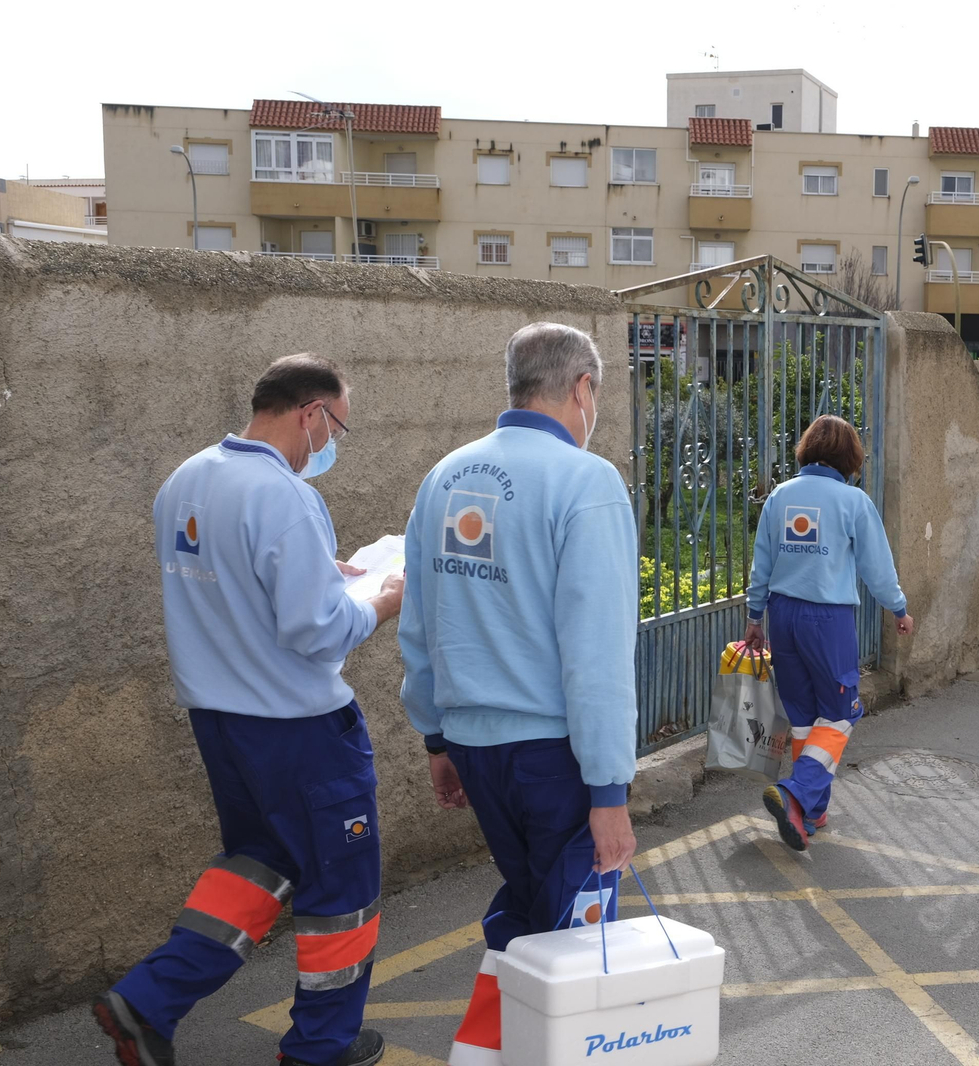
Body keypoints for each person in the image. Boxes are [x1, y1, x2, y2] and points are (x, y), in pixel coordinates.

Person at [94, 354, 404, 1066]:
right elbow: (318, 632)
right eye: (336, 430)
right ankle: (321, 1046)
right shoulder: (284, 495)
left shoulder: (186, 480)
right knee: (341, 887)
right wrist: (382, 602)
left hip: (222, 725)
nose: (329, 447)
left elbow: (225, 582)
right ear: (311, 414)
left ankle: (148, 1000)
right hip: (301, 732)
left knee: (257, 864)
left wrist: (318, 574)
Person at [398, 322, 639, 1066]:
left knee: (531, 910)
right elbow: (596, 652)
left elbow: (419, 624)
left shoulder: (445, 476)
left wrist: (437, 737)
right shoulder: (586, 481)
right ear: (582, 389)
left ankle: (482, 1054)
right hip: (554, 758)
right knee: (579, 937)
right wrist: (609, 792)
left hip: (476, 748)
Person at [744, 414, 914, 852]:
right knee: (841, 714)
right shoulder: (852, 501)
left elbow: (761, 562)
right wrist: (898, 608)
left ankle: (810, 812)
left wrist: (754, 617)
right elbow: (876, 566)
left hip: (782, 616)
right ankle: (795, 793)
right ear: (850, 456)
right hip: (828, 621)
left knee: (804, 718)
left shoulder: (780, 496)